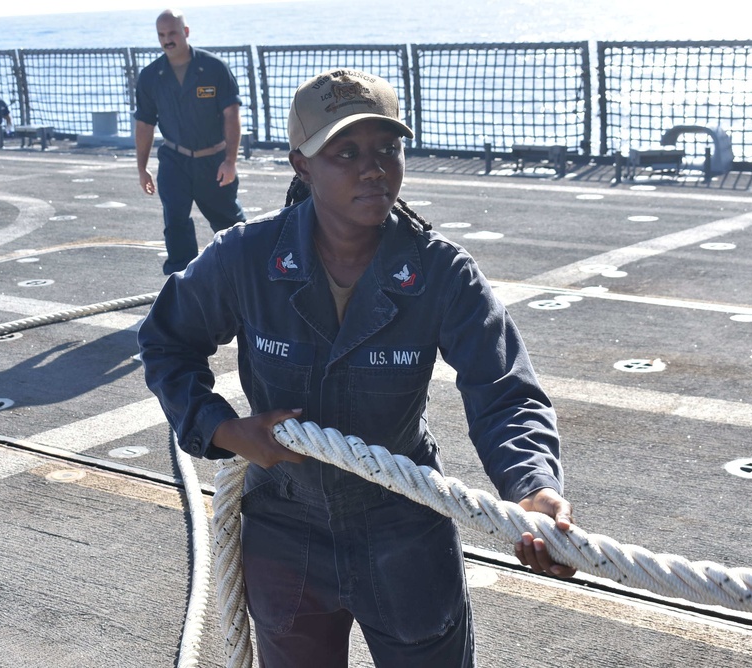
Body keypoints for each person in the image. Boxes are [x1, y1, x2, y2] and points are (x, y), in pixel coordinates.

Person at [139, 68, 575, 667]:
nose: (373, 168)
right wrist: (223, 429)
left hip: (404, 532)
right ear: (302, 165)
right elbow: (167, 341)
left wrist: (534, 488)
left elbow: (503, 392)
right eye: (345, 152)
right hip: (284, 536)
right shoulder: (245, 257)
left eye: (387, 149)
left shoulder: (442, 272)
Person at [135, 8, 246, 275]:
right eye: (161, 35)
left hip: (213, 161)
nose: (167, 39)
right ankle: (182, 285)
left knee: (229, 224)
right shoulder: (150, 77)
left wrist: (230, 161)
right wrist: (142, 167)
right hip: (175, 161)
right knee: (175, 223)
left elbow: (232, 115)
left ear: (185, 32)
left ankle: (246, 273)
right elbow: (144, 124)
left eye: (172, 32)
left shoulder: (213, 68)